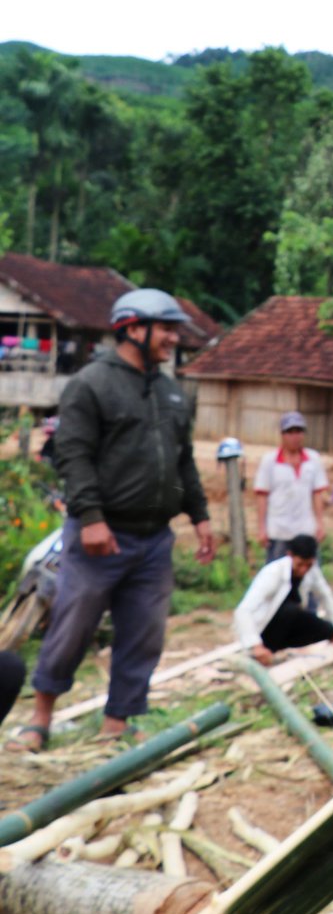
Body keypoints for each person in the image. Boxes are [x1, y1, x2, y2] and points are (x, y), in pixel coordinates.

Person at [12, 289, 216, 751]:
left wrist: (200, 517)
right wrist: (90, 517)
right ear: (131, 328)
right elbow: (73, 456)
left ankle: (117, 725)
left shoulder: (169, 390)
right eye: (165, 328)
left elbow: (183, 462)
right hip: (98, 536)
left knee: (144, 633)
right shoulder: (91, 384)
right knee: (72, 627)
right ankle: (40, 718)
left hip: (153, 541)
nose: (172, 338)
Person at [235, 534, 333, 666]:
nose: (303, 570)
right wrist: (255, 645)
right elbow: (243, 610)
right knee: (291, 610)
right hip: (266, 629)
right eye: (300, 564)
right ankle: (265, 652)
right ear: (290, 555)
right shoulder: (273, 573)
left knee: (326, 628)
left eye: (308, 565)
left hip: (290, 624)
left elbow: (325, 596)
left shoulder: (312, 571)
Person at [255, 411, 329, 562]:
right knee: (276, 578)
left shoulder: (313, 459)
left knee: (309, 576)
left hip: (305, 530)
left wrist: (320, 523)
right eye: (290, 432)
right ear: (282, 435)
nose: (295, 437)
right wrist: (262, 528)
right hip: (278, 531)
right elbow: (262, 495)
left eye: (299, 432)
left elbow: (317, 494)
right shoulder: (269, 461)